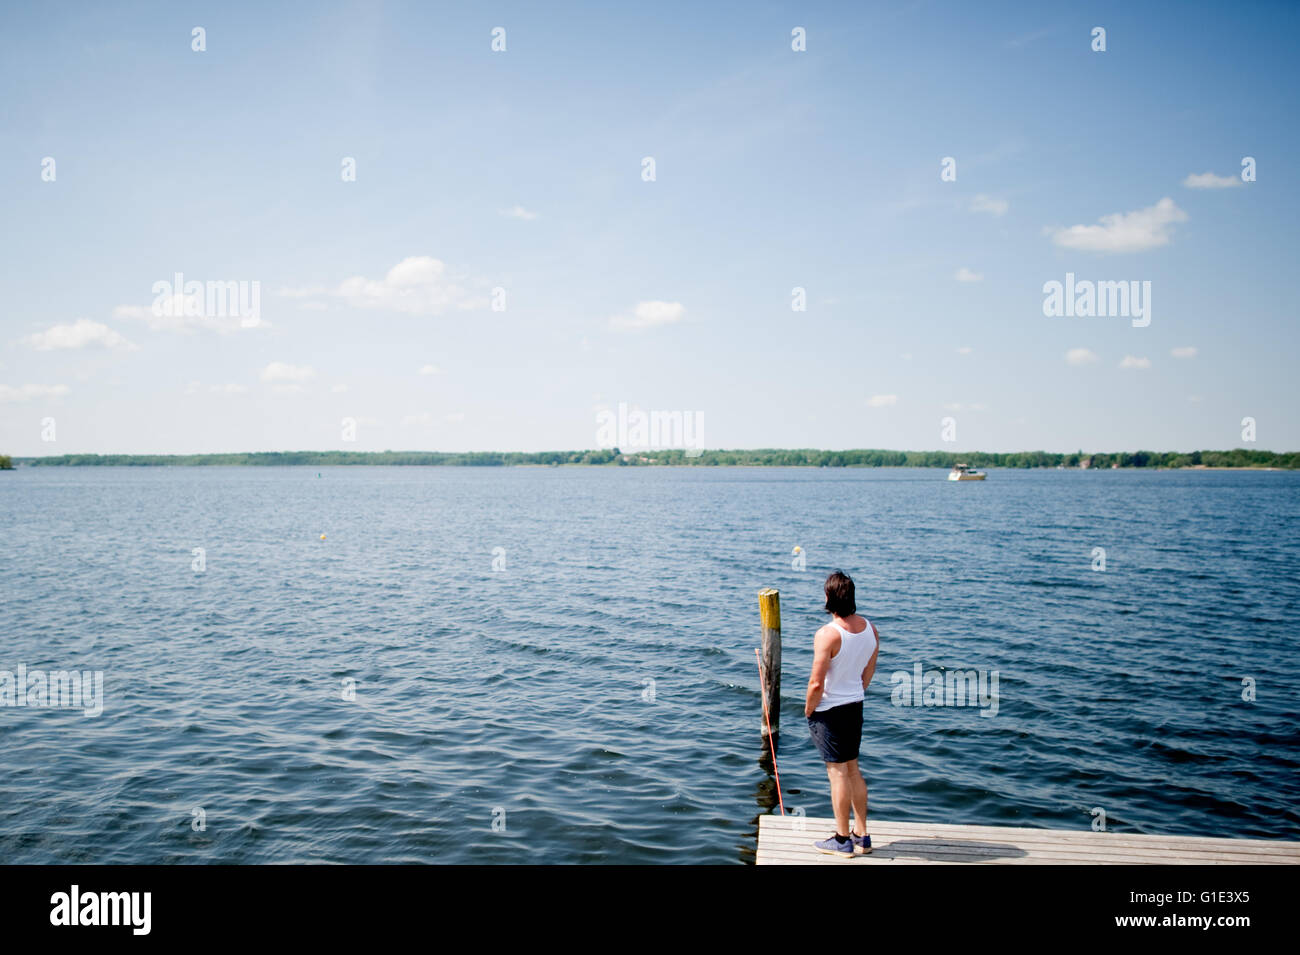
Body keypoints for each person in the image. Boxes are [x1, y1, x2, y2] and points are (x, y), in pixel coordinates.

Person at [805, 570, 879, 858]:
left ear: (829, 598)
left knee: (836, 774)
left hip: (830, 711)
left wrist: (810, 708)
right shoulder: (871, 629)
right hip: (855, 706)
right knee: (853, 770)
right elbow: (868, 672)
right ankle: (862, 835)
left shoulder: (827, 634)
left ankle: (841, 839)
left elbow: (815, 683)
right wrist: (855, 691)